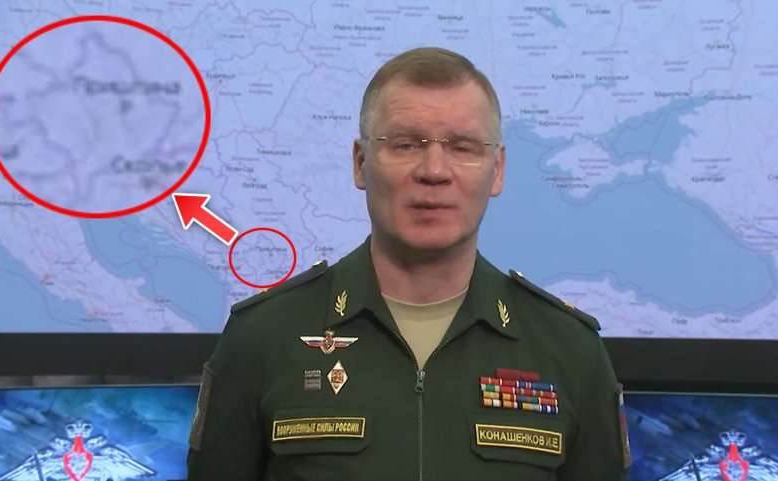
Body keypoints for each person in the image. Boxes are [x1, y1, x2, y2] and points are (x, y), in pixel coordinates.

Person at [187, 47, 628, 481]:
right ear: (360, 163)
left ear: (496, 170)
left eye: (463, 147)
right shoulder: (261, 338)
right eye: (404, 145)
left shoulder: (570, 351)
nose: (434, 171)